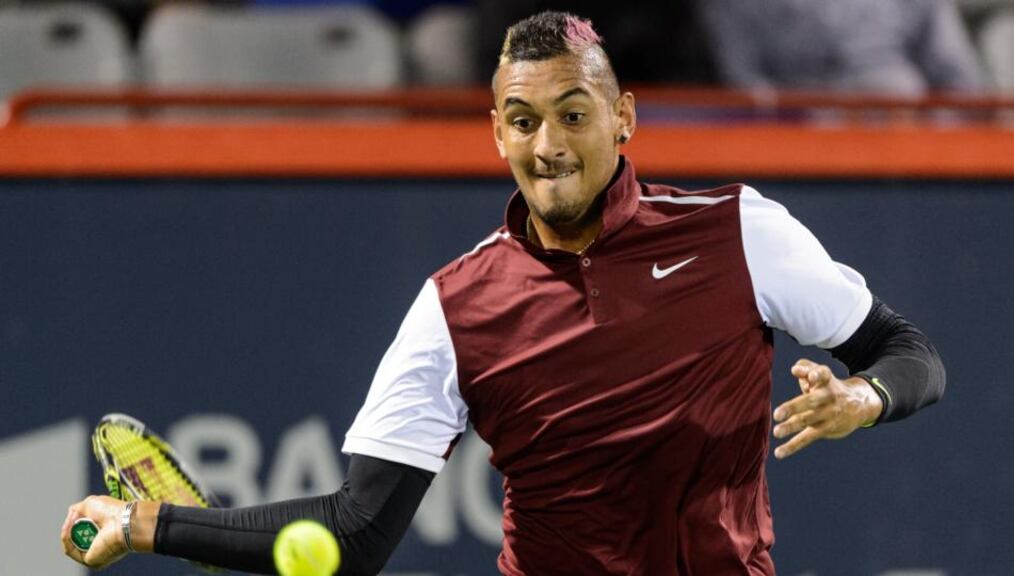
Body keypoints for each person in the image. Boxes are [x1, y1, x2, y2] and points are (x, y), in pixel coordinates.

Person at [61, 11, 946, 575]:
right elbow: (355, 532)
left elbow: (910, 354)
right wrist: (147, 524)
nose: (549, 144)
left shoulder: (739, 231)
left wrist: (862, 397)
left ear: (624, 117)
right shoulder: (455, 307)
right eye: (523, 122)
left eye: (574, 113)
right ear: (496, 133)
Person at [700, 0, 987, 96]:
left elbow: (961, 83)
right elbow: (743, 87)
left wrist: (933, 131)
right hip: (799, 147)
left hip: (914, 143)